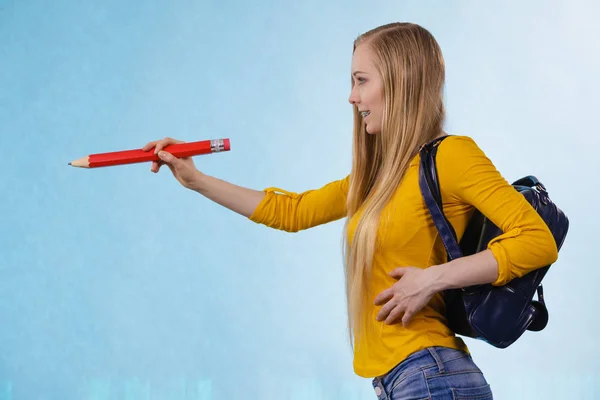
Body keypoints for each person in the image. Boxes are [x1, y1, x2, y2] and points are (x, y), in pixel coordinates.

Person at [142, 22, 558, 400]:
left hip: (432, 377)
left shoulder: (451, 156)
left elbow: (537, 240)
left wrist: (432, 279)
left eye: (361, 81)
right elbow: (292, 211)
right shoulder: (378, 179)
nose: (352, 96)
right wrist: (196, 180)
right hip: (403, 381)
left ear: (400, 82)